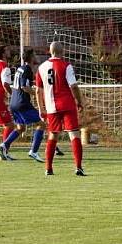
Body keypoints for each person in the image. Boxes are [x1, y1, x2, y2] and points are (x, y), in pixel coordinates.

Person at [35, 41, 86, 176]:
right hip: (67, 105)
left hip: (51, 107)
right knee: (74, 134)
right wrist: (79, 101)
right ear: (62, 52)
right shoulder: (66, 65)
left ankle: (48, 168)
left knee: (53, 135)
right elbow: (73, 86)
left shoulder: (41, 68)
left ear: (50, 51)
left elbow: (38, 90)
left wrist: (41, 108)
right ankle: (78, 167)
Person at [2, 48, 56, 163]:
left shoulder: (20, 69)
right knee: (41, 124)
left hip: (13, 103)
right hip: (22, 103)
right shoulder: (27, 69)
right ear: (31, 57)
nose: (36, 57)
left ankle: (5, 145)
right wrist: (39, 94)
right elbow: (25, 87)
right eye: (35, 55)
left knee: (21, 128)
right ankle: (34, 151)